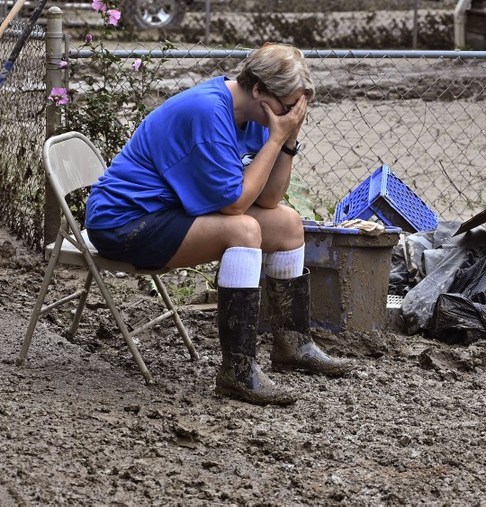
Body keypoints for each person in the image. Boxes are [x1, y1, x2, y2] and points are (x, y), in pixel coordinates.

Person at [85, 43, 351, 406]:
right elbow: (236, 204)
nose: (291, 115)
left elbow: (269, 199)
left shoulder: (258, 115)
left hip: (172, 212)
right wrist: (276, 136)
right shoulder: (209, 113)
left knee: (288, 223)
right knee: (242, 230)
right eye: (287, 107)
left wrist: (287, 139)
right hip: (126, 221)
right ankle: (237, 373)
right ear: (258, 90)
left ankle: (293, 344)